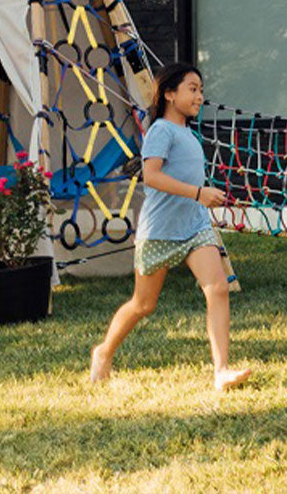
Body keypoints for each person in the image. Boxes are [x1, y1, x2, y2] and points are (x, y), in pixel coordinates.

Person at [90, 62, 251, 391]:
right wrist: (198, 193)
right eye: (192, 89)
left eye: (201, 90)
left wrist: (204, 198)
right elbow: (152, 176)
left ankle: (221, 371)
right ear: (168, 94)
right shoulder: (161, 131)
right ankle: (104, 351)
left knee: (218, 288)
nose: (199, 96)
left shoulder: (189, 134)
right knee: (143, 305)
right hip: (160, 231)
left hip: (194, 226)